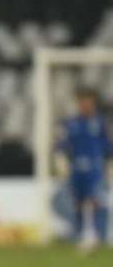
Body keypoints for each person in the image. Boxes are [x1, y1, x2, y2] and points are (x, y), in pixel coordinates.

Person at [56, 88, 111, 252]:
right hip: (76, 168)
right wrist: (62, 162)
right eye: (82, 102)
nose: (85, 105)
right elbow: (62, 145)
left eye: (88, 102)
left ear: (93, 104)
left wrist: (109, 164)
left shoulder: (101, 123)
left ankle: (98, 236)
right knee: (78, 203)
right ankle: (80, 235)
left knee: (95, 200)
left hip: (95, 167)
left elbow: (108, 145)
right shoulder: (70, 123)